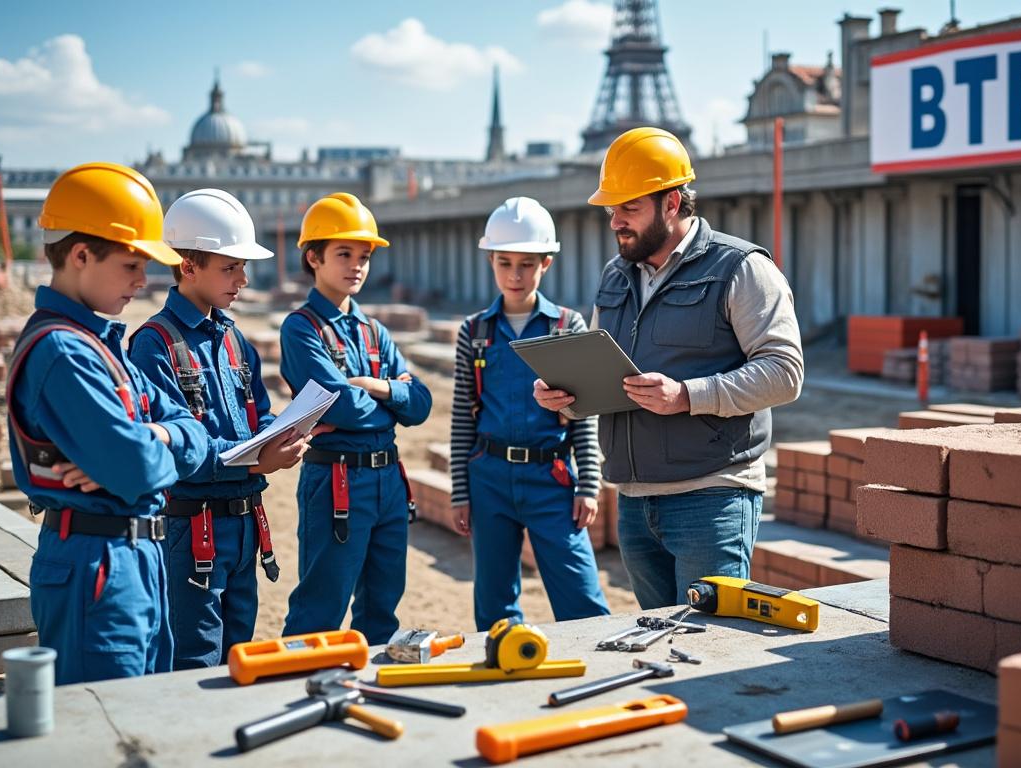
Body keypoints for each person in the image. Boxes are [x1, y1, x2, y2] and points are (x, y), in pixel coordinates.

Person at [534, 127, 804, 609]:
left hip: (712, 498)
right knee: (660, 641)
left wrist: (687, 395)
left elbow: (785, 372)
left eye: (629, 208)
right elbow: (607, 372)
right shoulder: (615, 275)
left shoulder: (740, 268)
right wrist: (568, 397)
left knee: (711, 646)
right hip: (636, 502)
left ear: (672, 203)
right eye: (612, 210)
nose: (615, 221)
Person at [7, 162, 208, 683]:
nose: (144, 283)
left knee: (144, 723)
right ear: (80, 255)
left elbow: (195, 433)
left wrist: (156, 435)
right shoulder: (62, 352)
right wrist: (144, 449)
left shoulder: (101, 346)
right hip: (94, 564)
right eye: (130, 265)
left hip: (137, 558)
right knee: (102, 731)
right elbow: (136, 469)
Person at [128, 188, 312, 669]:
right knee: (195, 656)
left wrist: (283, 433)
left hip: (244, 522)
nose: (244, 278)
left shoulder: (233, 339)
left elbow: (259, 416)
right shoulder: (154, 345)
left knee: (239, 651)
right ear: (188, 266)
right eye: (230, 267)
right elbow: (178, 448)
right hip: (193, 529)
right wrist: (260, 456)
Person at [450, 197, 611, 631]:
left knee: (581, 598)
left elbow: (586, 413)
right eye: (505, 263)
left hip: (552, 479)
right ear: (491, 261)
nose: (515, 275)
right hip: (489, 480)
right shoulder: (474, 331)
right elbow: (463, 416)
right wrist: (459, 492)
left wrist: (589, 485)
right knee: (494, 604)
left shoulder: (567, 326)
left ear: (547, 264)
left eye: (527, 263)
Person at [279, 192, 432, 643]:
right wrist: (389, 402)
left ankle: (366, 689)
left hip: (388, 482)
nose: (357, 265)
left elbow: (421, 404)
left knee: (383, 607)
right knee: (321, 606)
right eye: (344, 254)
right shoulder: (301, 328)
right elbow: (341, 406)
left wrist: (378, 387)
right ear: (314, 257)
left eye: (363, 256)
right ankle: (298, 694)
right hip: (337, 482)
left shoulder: (373, 330)